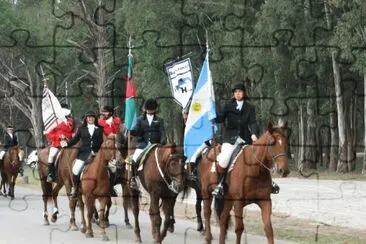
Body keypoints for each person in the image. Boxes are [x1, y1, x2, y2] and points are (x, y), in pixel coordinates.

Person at [212, 83, 259, 198]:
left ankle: (268, 183)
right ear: (233, 94)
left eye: (240, 91)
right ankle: (220, 184)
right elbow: (221, 118)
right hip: (230, 138)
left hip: (245, 138)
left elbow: (253, 122)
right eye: (236, 92)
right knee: (224, 159)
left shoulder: (250, 108)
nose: (238, 94)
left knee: (259, 158)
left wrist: (253, 134)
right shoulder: (228, 106)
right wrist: (212, 115)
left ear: (244, 93)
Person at [63, 110, 104, 199]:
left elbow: (102, 141)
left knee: (110, 169)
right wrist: (67, 144)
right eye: (89, 117)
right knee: (75, 170)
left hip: (97, 153)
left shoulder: (100, 129)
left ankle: (110, 188)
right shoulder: (81, 128)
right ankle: (76, 190)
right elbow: (75, 139)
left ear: (95, 119)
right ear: (86, 119)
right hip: (84, 154)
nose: (91, 119)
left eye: (92, 117)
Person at [129, 98, 167, 190]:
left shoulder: (159, 120)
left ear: (155, 109)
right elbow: (137, 132)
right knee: (134, 159)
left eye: (152, 109)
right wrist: (132, 130)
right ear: (145, 109)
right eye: (149, 109)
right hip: (142, 145)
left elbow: (162, 133)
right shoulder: (139, 120)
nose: (150, 111)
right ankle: (133, 179)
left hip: (156, 145)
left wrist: (162, 142)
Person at [45, 104, 74, 183]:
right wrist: (59, 136)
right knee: (51, 156)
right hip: (57, 143)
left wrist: (72, 135)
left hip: (70, 143)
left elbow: (73, 132)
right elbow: (49, 134)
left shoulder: (71, 120)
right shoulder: (54, 121)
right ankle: (51, 174)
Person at [98, 105, 122, 197]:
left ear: (110, 113)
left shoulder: (117, 121)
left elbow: (121, 131)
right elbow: (99, 135)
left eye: (105, 112)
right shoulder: (100, 122)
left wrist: (117, 136)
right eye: (103, 112)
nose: (103, 113)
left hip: (117, 145)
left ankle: (111, 186)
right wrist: (109, 137)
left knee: (117, 165)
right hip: (105, 146)